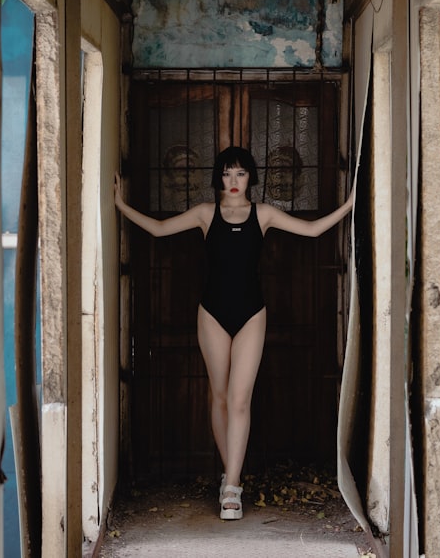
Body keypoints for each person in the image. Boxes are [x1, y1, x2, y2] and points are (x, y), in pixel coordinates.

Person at [114, 146, 355, 521]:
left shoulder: (265, 214)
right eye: (227, 174)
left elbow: (312, 229)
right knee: (222, 397)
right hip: (212, 314)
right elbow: (159, 229)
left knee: (241, 400)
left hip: (251, 315)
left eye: (240, 174)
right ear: (218, 177)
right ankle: (233, 478)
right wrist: (119, 203)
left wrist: (350, 203)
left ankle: (231, 488)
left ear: (251, 177)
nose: (233, 182)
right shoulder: (205, 214)